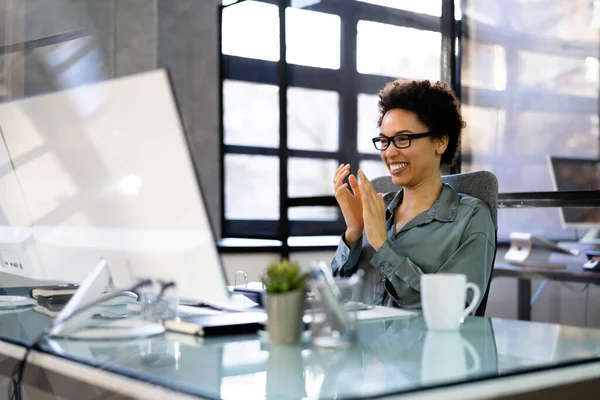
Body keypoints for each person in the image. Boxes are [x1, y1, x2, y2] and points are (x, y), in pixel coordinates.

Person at [331, 79, 495, 311]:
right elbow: (337, 295)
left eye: (402, 139)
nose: (389, 152)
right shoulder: (377, 209)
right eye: (385, 141)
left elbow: (451, 308)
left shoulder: (470, 219)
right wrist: (354, 234)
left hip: (426, 347)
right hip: (360, 345)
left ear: (440, 142)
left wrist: (382, 244)